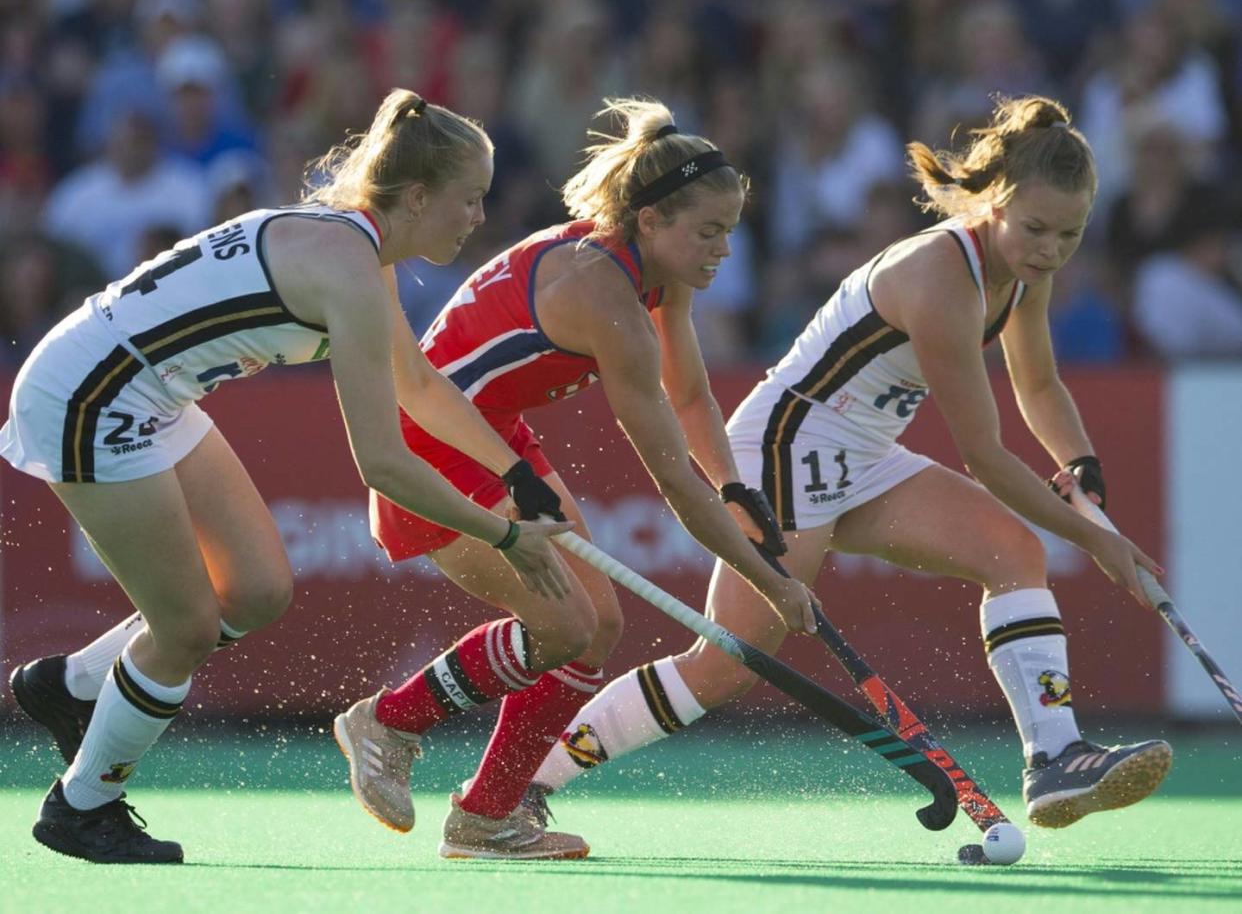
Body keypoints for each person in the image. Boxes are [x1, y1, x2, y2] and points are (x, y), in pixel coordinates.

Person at [530, 95, 1175, 838]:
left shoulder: (1027, 270)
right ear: (991, 203)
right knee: (723, 665)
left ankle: (1056, 759)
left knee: (1015, 549)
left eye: (1071, 233)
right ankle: (532, 780)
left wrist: (1080, 464)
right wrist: (1099, 540)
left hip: (863, 457)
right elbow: (985, 454)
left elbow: (1039, 384)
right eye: (1035, 229)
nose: (1051, 248)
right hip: (786, 449)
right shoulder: (939, 278)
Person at [3, 89, 576, 864]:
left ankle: (69, 687)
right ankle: (82, 806)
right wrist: (506, 534)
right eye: (467, 200)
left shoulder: (359, 250)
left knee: (258, 589)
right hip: (93, 394)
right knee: (184, 628)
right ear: (415, 197)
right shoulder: (347, 270)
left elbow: (420, 385)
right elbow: (382, 463)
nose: (478, 217)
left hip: (151, 389)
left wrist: (512, 471)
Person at [333, 97, 819, 860]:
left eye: (730, 230)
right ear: (653, 219)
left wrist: (735, 484)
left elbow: (689, 396)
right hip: (433, 449)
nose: (724, 249)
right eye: (709, 231)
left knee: (600, 626)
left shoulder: (657, 267)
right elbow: (673, 485)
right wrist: (769, 581)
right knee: (565, 626)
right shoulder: (606, 297)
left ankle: (487, 816)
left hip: (497, 439)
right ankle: (390, 721)